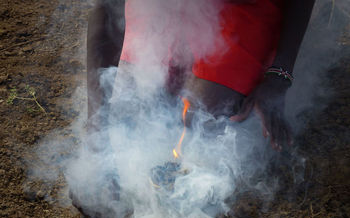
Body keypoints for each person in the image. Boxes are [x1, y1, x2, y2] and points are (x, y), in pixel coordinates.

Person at [87, 0, 315, 152]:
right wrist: (95, 140)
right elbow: (107, 8)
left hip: (244, 5)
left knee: (205, 113)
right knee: (136, 105)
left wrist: (279, 75)